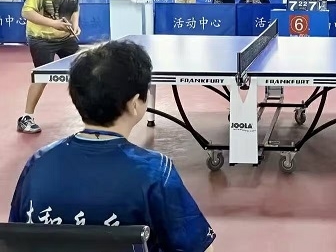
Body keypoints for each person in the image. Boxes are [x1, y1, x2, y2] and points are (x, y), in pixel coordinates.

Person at [9, 40, 216, 252]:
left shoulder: (37, 164)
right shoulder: (155, 172)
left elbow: (15, 239)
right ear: (134, 104)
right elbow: (198, 247)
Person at [18, 0, 81, 134]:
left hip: (65, 36)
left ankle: (92, 114)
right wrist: (54, 24)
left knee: (83, 72)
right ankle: (26, 118)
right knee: (42, 76)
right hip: (41, 38)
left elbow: (75, 7)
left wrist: (75, 24)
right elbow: (26, 12)